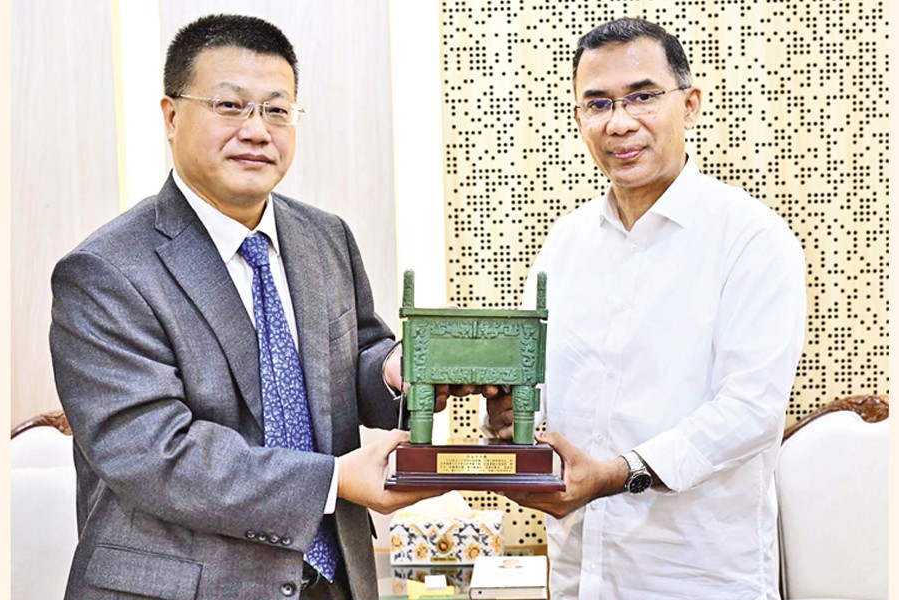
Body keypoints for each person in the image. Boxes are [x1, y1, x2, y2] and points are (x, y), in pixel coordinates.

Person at [49, 14, 438, 599]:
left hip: (332, 582)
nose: (258, 130)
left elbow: (356, 353)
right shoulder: (104, 272)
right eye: (230, 106)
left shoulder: (326, 236)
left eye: (277, 110)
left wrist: (393, 369)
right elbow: (156, 454)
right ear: (171, 116)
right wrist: (334, 480)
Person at [485, 17, 806, 599]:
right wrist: (509, 423)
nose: (620, 121)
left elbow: (750, 411)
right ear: (580, 118)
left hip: (698, 578)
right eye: (598, 103)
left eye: (642, 96)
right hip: (580, 572)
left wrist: (615, 474)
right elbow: (544, 395)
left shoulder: (751, 238)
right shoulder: (565, 244)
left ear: (690, 103)